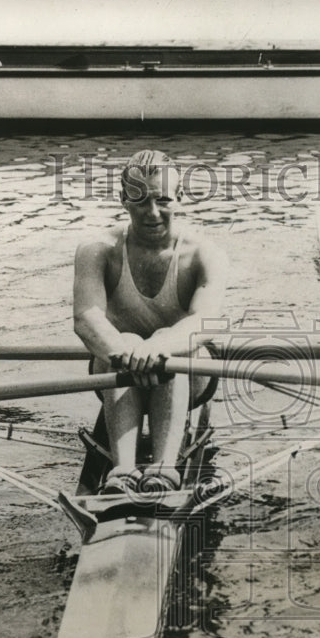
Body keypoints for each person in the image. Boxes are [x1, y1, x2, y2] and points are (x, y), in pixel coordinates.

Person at [73, 150, 226, 493]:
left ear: (180, 198)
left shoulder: (205, 253)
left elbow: (206, 322)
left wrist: (157, 348)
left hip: (188, 371)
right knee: (121, 338)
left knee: (169, 345)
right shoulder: (96, 250)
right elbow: (86, 318)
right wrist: (127, 352)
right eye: (140, 200)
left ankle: (163, 470)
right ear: (122, 200)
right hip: (117, 367)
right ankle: (123, 473)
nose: (152, 212)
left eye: (163, 199)